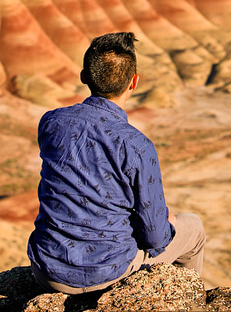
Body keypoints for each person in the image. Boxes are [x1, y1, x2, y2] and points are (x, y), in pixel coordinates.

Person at [28, 32, 206, 295]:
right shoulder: (137, 145)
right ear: (134, 82)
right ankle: (184, 299)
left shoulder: (51, 122)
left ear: (84, 77)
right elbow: (155, 238)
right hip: (108, 273)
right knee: (193, 227)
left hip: (47, 270)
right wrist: (166, 224)